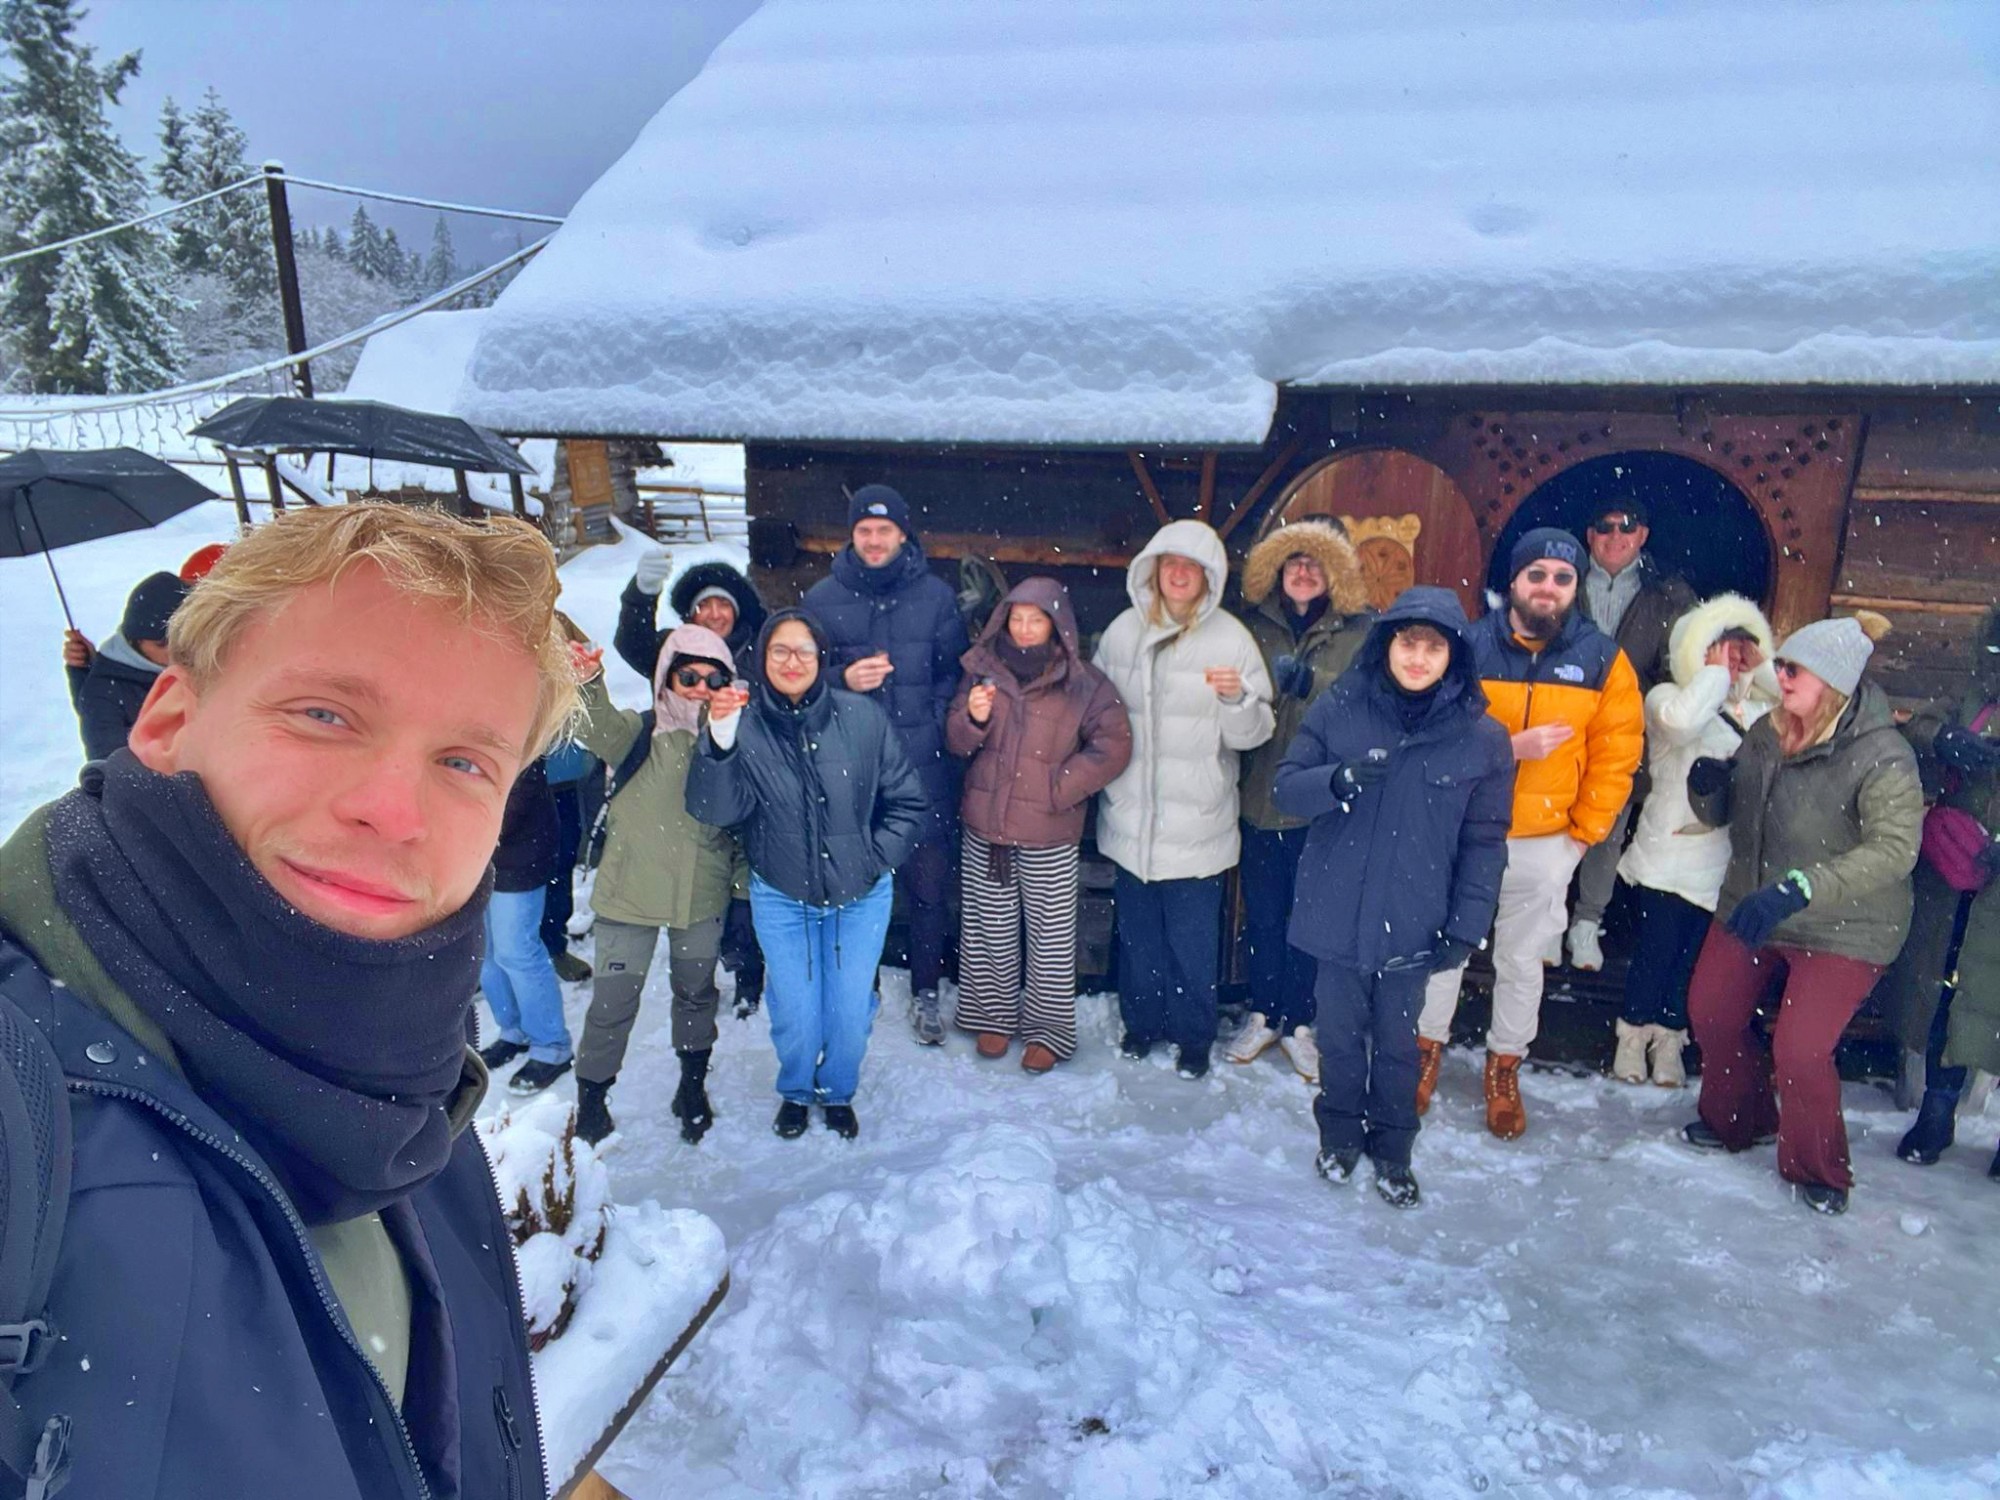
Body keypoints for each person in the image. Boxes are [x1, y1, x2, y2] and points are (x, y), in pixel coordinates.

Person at [1, 503, 570, 1497]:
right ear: (168, 718)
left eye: (464, 762)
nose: (391, 810)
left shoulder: (405, 1075)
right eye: (324, 715)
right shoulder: (24, 1120)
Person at [1275, 588, 1513, 1207]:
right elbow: (1286, 790)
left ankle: (1393, 1151)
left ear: (1453, 658)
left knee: (1401, 1046)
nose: (1418, 657)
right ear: (1387, 646)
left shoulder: (1482, 739)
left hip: (1415, 922)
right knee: (1339, 1041)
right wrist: (1337, 780)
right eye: (1408, 642)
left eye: (1433, 647)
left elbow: (1485, 841)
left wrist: (1466, 926)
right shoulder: (1340, 708)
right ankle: (1339, 1140)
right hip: (1337, 914)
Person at [1681, 612, 1922, 1215]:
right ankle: (1741, 1118)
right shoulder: (1769, 730)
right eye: (1781, 665)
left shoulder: (1883, 755)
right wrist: (1708, 788)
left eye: (1794, 668)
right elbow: (1733, 813)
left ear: (1833, 681)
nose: (1780, 675)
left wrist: (1801, 888)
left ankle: (1819, 1167)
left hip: (1847, 921)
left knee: (1802, 1047)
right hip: (1759, 901)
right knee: (1710, 1011)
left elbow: (1895, 850)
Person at [1418, 528, 1643, 1138]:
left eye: (1563, 578)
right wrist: (1505, 748)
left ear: (1576, 587)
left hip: (1545, 841)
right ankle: (1423, 1051)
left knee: (1522, 961)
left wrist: (1583, 835)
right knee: (1443, 953)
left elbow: (1617, 752)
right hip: (1463, 833)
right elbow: (1429, 735)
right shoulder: (1464, 648)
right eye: (1536, 575)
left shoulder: (1602, 658)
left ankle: (1504, 1065)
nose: (1548, 588)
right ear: (1513, 581)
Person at [687, 608, 928, 1140]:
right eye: (779, 650)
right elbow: (714, 810)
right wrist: (720, 741)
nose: (791, 661)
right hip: (780, 893)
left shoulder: (862, 718)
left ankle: (837, 1089)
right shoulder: (743, 725)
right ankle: (796, 1089)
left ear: (821, 659)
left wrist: (872, 857)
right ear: (762, 657)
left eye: (803, 651)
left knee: (846, 1010)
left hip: (860, 894)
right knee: (796, 1010)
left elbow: (908, 802)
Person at [1094, 519, 1275, 1079]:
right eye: (1168, 563)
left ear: (1208, 578)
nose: (1177, 574)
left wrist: (1237, 700)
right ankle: (1141, 1025)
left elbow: (1255, 734)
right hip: (1131, 818)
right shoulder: (1122, 632)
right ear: (1152, 568)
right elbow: (1096, 714)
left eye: (1190, 567)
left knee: (1193, 946)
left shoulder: (1231, 640)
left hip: (1198, 824)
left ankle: (1194, 1036)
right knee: (1140, 939)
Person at [802, 485, 969, 1045]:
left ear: (903, 535)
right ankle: (861, 986)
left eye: (885, 530)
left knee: (927, 889)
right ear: (852, 536)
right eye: (864, 531)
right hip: (849, 772)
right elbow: (797, 679)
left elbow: (953, 671)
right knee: (855, 887)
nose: (875, 540)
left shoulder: (937, 597)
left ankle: (926, 992)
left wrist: (938, 716)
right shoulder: (823, 599)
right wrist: (841, 681)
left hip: (922, 770)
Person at [945, 577, 1132, 1071]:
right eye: (1017, 618)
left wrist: (1060, 787)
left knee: (1050, 935)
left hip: (1049, 830)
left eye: (1037, 619)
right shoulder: (980, 670)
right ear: (1004, 620)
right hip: (987, 826)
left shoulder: (1084, 682)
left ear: (1056, 625)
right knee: (990, 927)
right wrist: (973, 716)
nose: (1025, 629)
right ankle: (992, 1016)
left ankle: (1048, 1031)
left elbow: (1114, 745)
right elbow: (956, 740)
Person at [566, 624, 741, 1146]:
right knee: (613, 1002)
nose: (701, 688)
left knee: (695, 995)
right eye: (689, 675)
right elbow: (594, 725)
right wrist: (587, 680)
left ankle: (691, 1086)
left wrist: (744, 894)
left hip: (700, 896)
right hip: (630, 893)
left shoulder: (736, 743)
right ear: (666, 677)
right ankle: (592, 1098)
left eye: (715, 678)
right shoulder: (637, 732)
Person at [1611, 594, 1777, 1087]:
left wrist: (1759, 665)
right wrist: (1713, 675)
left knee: (1690, 960)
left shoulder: (1756, 709)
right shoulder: (1665, 696)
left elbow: (1791, 706)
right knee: (1654, 952)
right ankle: (1631, 1038)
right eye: (1719, 645)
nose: (1730, 656)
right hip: (1668, 853)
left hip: (1720, 860)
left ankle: (1669, 1040)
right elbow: (1683, 724)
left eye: (1739, 647)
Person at [1228, 516, 1371, 1082]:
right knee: (1263, 914)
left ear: (1336, 571)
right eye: (1295, 561)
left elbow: (1365, 710)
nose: (1305, 572)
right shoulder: (1252, 627)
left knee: (1311, 918)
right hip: (1260, 793)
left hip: (1322, 801)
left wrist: (1309, 686)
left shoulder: (1362, 632)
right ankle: (1263, 1011)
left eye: (1317, 562)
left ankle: (1302, 1022)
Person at [617, 548, 770, 1013]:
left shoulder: (758, 649)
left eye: (724, 604)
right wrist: (640, 596)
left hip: (742, 780)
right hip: (683, 785)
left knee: (744, 883)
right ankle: (704, 972)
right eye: (706, 605)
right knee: (701, 886)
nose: (716, 613)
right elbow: (631, 641)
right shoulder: (672, 646)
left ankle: (749, 971)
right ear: (691, 611)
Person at [1878, 604, 2000, 1168]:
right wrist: (1947, 738)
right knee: (1946, 993)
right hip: (1958, 880)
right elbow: (1918, 725)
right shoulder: (1976, 700)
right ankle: (1937, 1110)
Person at [1567, 496, 1695, 970]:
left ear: (1643, 535)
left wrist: (1638, 700)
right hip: (1561, 724)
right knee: (1546, 817)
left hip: (1626, 729)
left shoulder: (1670, 595)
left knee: (1607, 826)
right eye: (1604, 526)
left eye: (1628, 527)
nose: (1615, 535)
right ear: (1589, 535)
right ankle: (1545, 920)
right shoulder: (1561, 579)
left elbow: (1680, 667)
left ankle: (1586, 922)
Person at [475, 753, 576, 1093]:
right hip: (475, 856)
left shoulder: (516, 724)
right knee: (484, 954)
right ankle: (513, 1031)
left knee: (516, 952)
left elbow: (515, 798)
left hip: (517, 857)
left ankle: (552, 1046)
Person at [62, 569, 189, 762]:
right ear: (134, 641)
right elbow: (111, 771)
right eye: (162, 643)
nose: (176, 649)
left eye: (183, 636)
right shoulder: (104, 694)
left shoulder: (203, 657)